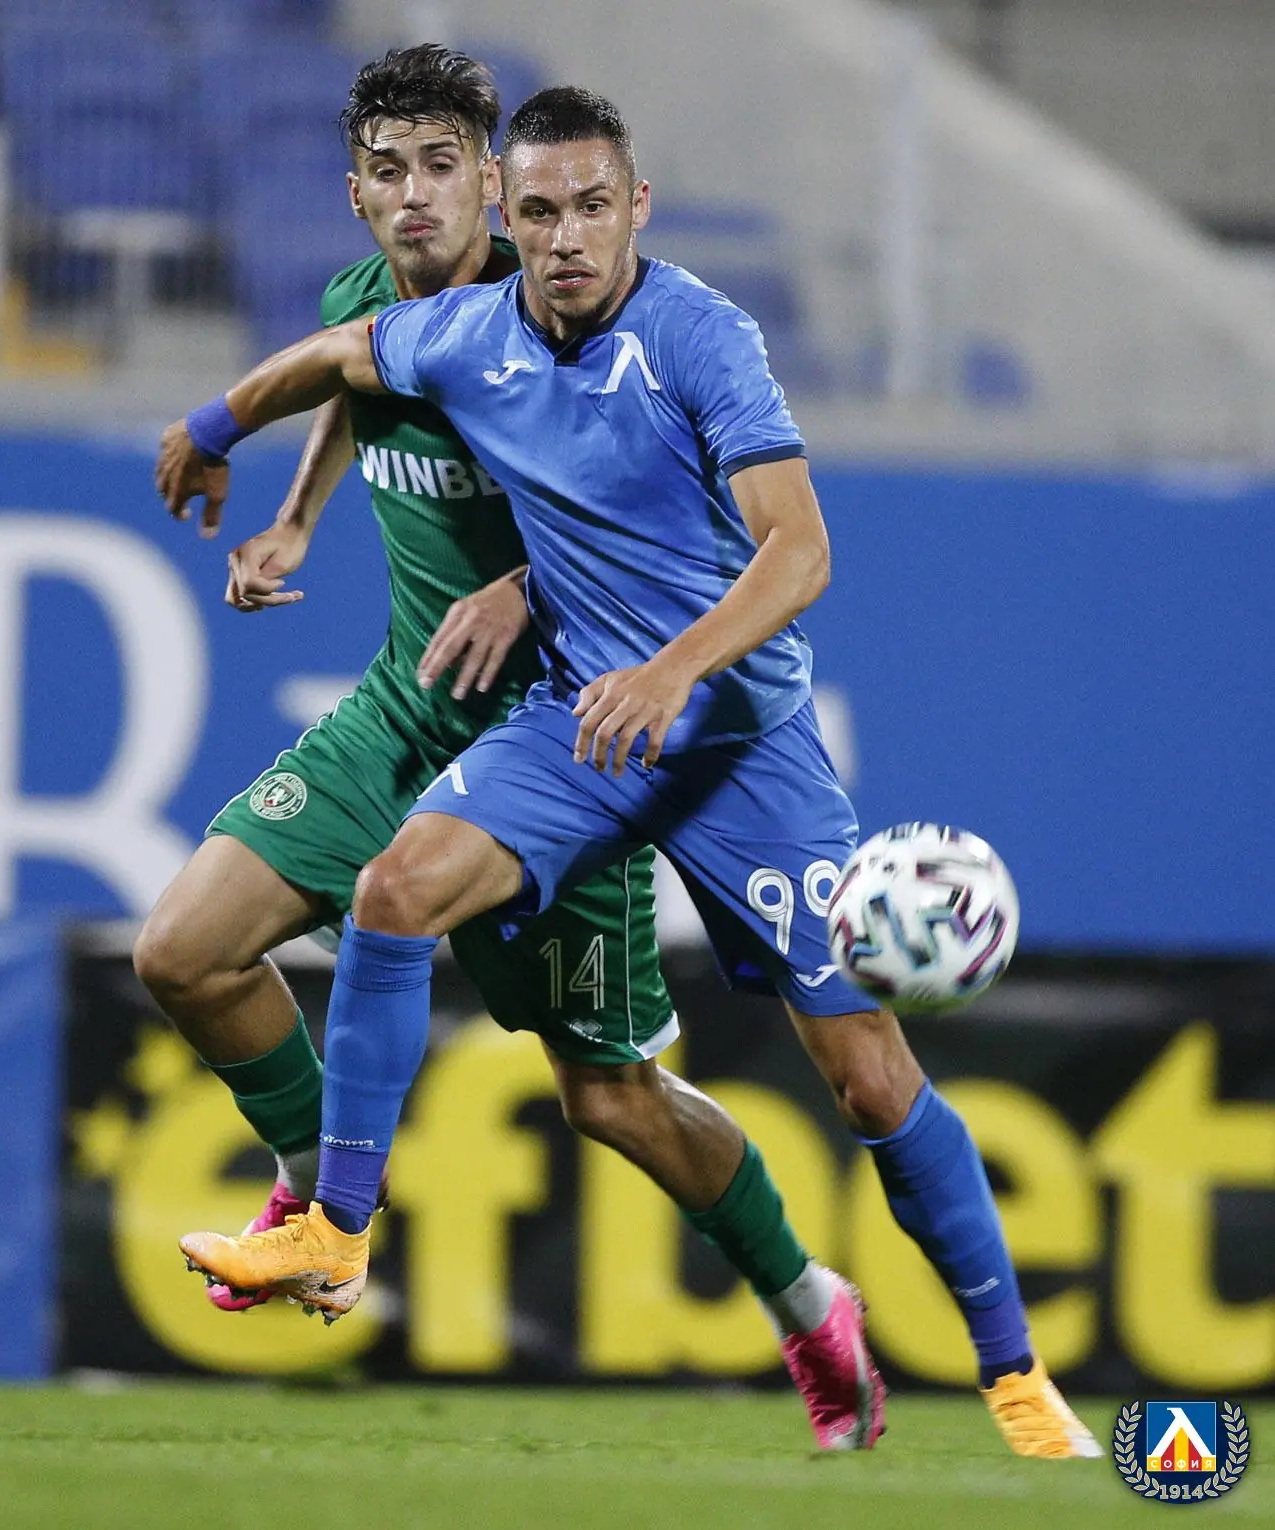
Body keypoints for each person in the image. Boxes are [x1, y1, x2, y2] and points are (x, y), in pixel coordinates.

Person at [159, 80, 1099, 1461]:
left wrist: (667, 667)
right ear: (513, 213)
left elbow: (800, 551)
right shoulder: (466, 330)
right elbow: (342, 357)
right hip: (579, 729)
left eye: (590, 206)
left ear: (635, 207)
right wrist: (216, 430)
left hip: (733, 741)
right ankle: (334, 1225)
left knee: (861, 1080)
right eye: (544, 211)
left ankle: (1015, 1378)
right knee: (395, 891)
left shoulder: (702, 334)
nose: (565, 236)